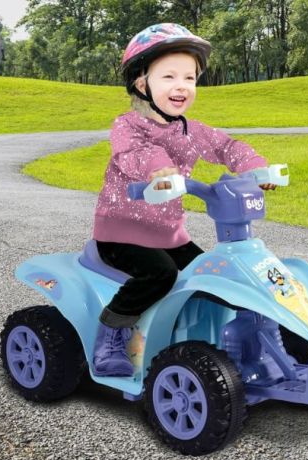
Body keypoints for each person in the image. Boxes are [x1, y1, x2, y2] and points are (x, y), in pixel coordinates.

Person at [91, 23, 276, 377]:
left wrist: (255, 168)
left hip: (169, 235)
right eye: (169, 77)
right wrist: (159, 170)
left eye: (189, 78)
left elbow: (226, 145)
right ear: (142, 84)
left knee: (211, 274)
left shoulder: (191, 131)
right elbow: (134, 153)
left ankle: (223, 340)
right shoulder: (127, 126)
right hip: (121, 235)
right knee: (159, 274)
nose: (181, 86)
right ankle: (110, 336)